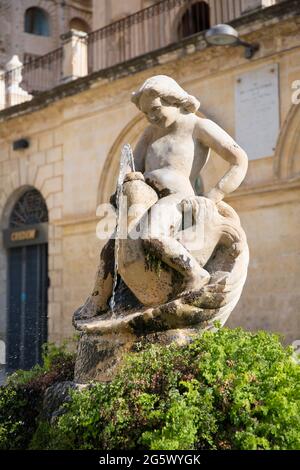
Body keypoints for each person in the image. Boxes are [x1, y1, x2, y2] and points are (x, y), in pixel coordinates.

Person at [129, 75, 248, 291]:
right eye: (146, 113)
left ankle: (194, 272)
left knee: (151, 236)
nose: (151, 117)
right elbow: (133, 167)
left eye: (155, 109)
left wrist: (213, 196)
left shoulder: (199, 126)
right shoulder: (150, 133)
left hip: (175, 199)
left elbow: (239, 160)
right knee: (113, 250)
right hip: (146, 201)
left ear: (173, 101)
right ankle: (100, 300)